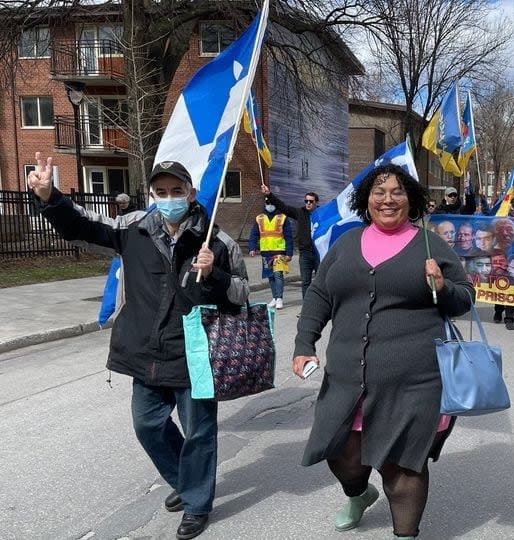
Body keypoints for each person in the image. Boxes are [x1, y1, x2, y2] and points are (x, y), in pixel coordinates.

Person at [29, 153, 249, 540]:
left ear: (191, 192)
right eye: (161, 191)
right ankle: (186, 480)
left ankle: (197, 504)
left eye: (176, 190)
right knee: (147, 425)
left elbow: (241, 296)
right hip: (144, 351)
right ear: (150, 194)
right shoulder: (133, 228)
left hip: (195, 353)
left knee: (199, 431)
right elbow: (82, 227)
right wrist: (50, 197)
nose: (169, 198)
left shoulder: (218, 240)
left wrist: (214, 273)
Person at [292, 164, 473, 539]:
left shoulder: (430, 244)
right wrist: (303, 344)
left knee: (402, 469)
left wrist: (442, 286)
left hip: (413, 382)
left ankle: (405, 534)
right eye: (379, 191)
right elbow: (319, 295)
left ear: (411, 200)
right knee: (343, 456)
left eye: (396, 192)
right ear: (366, 200)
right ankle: (359, 494)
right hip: (346, 378)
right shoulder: (346, 244)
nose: (387, 199)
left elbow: (464, 299)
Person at [261, 184, 320, 298]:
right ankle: (306, 308)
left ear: (316, 203)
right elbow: (283, 207)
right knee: (306, 282)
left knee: (319, 283)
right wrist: (269, 194)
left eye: (311, 201)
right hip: (305, 254)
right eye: (306, 201)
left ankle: (320, 308)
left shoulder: (322, 214)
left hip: (318, 253)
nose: (308, 203)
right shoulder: (300, 213)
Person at [249, 199, 294, 309]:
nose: (270, 205)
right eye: (268, 203)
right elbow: (254, 234)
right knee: (270, 276)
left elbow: (288, 237)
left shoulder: (282, 218)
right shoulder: (259, 218)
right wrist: (252, 248)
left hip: (279, 251)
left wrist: (289, 253)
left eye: (272, 203)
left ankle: (279, 298)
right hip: (265, 252)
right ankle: (274, 297)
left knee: (278, 275)